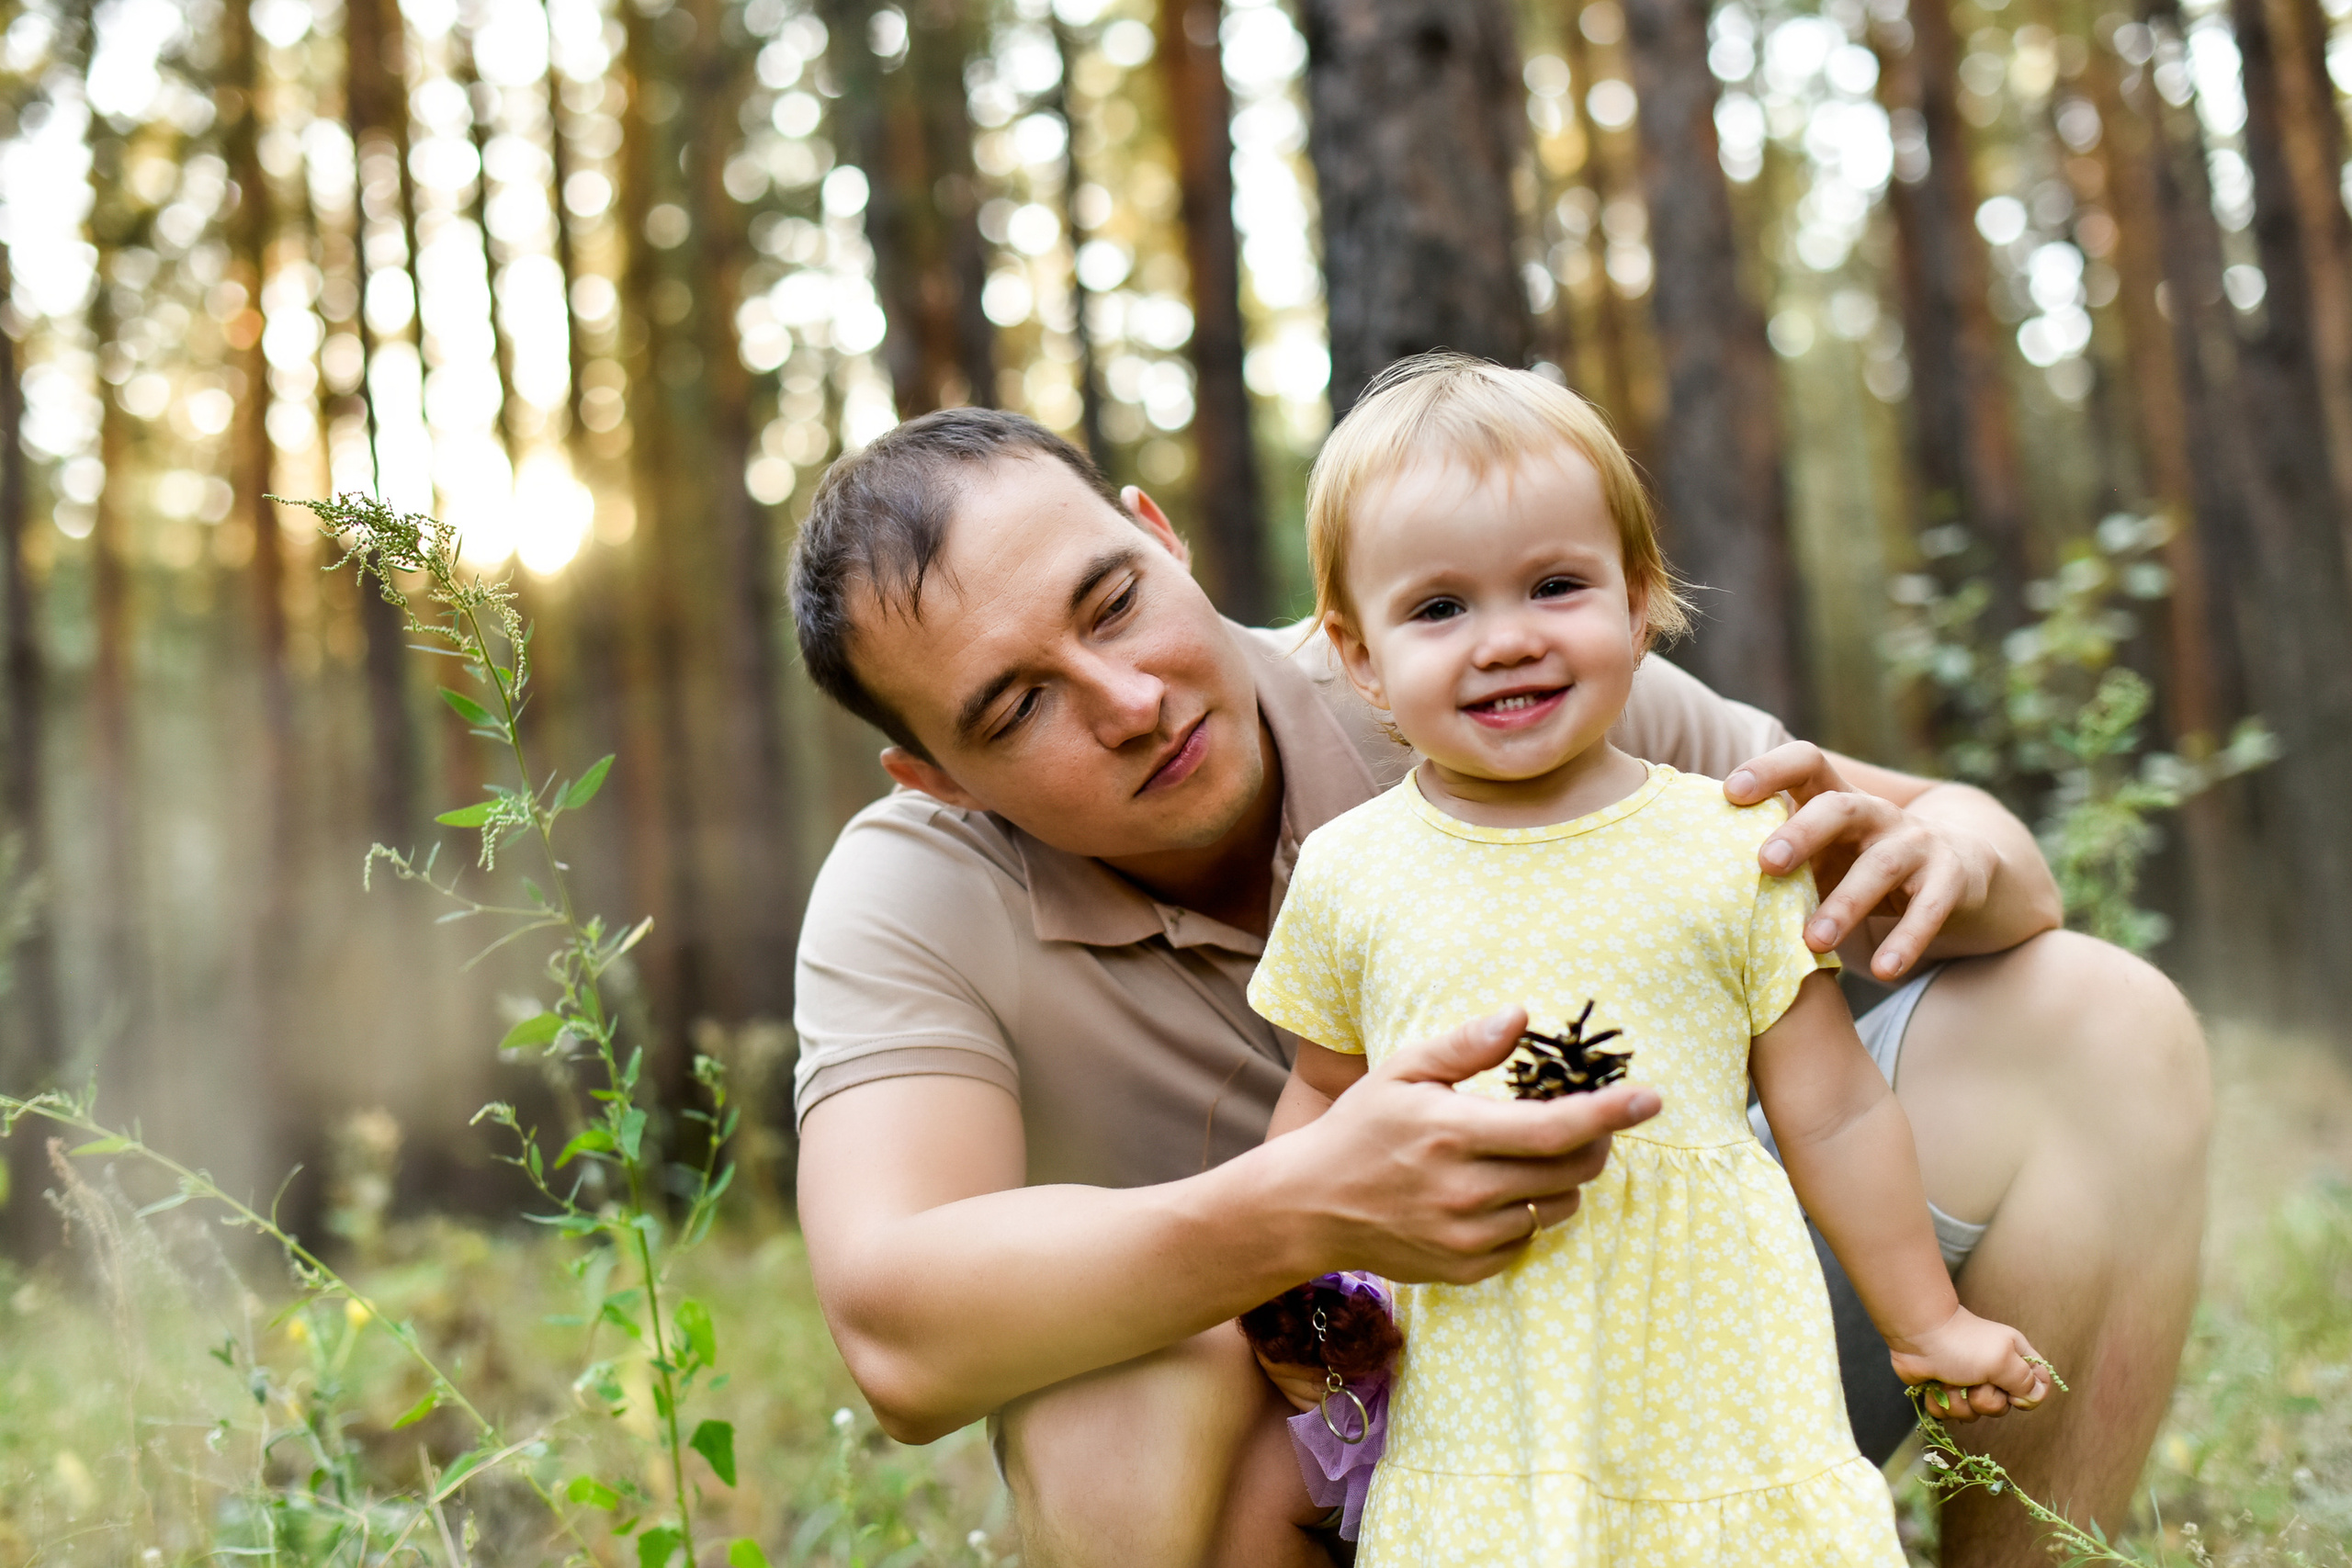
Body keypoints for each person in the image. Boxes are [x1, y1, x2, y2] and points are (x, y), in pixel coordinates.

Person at [785, 399, 2208, 1568]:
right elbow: (900, 1333)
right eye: (1017, 706)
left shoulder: (1491, 677)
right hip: (1309, 1453)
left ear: (1162, 538)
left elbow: (1961, 846)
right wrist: (1308, 1210)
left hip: (1685, 1354)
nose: (1129, 701)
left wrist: (1955, 847)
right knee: (1104, 1384)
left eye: (1113, 602)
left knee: (2100, 1021)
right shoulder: (908, 897)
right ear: (939, 777)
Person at [1243, 355, 2050, 1563]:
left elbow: (1830, 1112)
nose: (1504, 641)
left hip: (1716, 1355)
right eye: (1440, 609)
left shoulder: (1732, 838)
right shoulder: (1351, 871)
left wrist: (1924, 1320)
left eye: (1555, 586)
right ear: (1361, 659)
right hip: (1481, 1364)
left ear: (1638, 602)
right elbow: (1317, 1099)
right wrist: (1299, 1298)